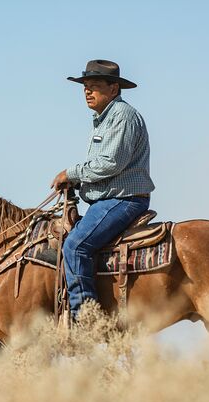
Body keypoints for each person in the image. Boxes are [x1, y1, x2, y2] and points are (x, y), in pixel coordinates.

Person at [51, 60, 155, 321]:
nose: (88, 91)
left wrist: (71, 173)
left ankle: (86, 318)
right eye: (85, 86)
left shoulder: (122, 116)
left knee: (75, 246)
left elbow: (111, 162)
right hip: (111, 199)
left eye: (95, 86)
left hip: (123, 199)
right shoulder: (104, 118)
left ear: (114, 88)